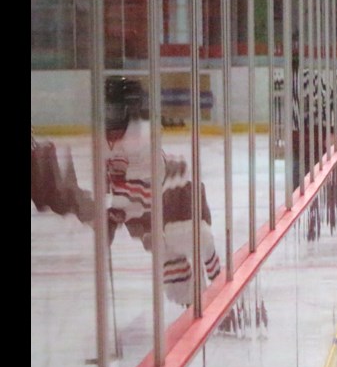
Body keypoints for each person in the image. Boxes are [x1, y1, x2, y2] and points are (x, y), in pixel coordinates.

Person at [33, 77, 223, 306]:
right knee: (166, 260)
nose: (108, 116)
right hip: (144, 209)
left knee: (185, 235)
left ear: (128, 110)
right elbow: (104, 189)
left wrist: (115, 214)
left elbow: (142, 189)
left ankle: (219, 280)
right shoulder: (102, 143)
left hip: (173, 191)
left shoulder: (142, 140)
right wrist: (103, 218)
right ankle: (194, 304)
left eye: (113, 109)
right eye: (104, 110)